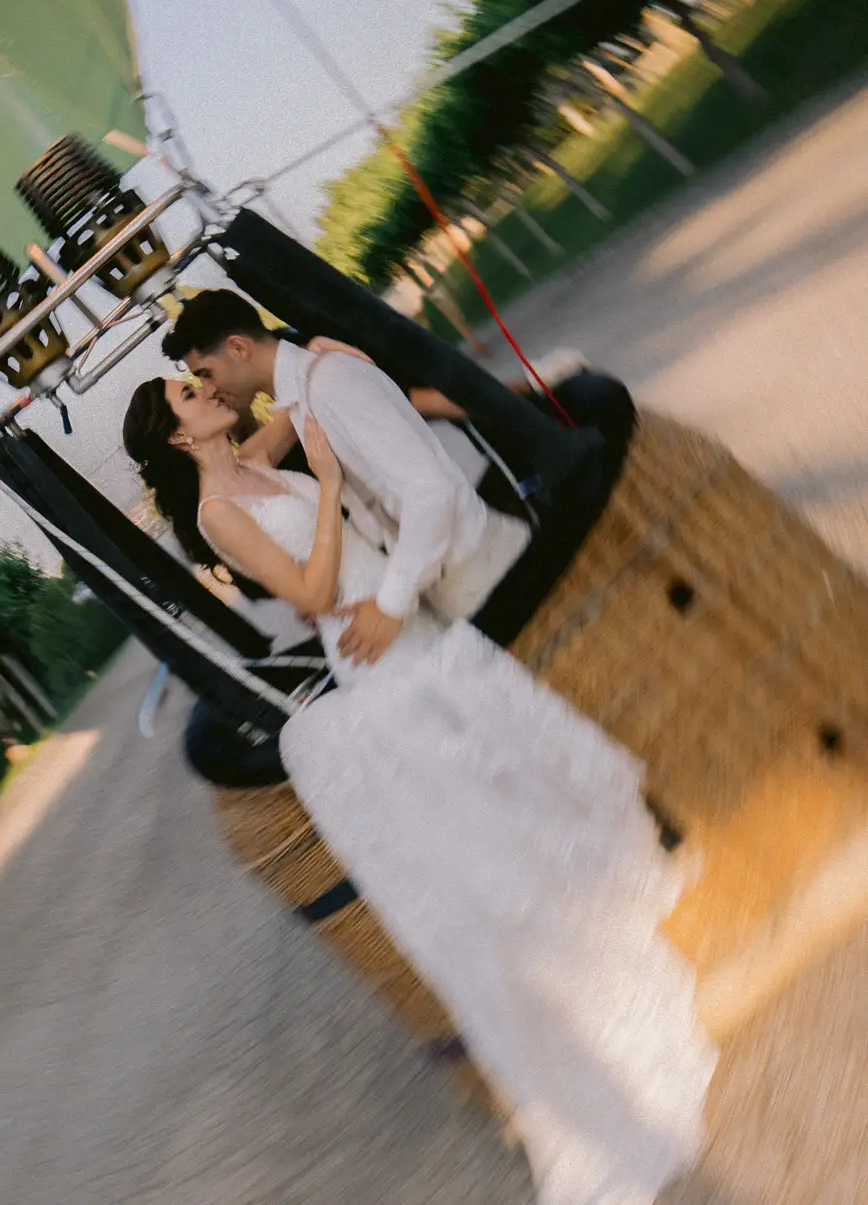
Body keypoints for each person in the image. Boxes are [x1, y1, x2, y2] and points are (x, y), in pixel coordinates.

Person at [122, 373, 716, 1204]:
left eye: (200, 379)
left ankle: (604, 904)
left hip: (410, 618)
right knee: (481, 793)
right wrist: (327, 487)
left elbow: (304, 396)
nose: (209, 389)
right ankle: (579, 979)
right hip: (369, 643)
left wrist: (322, 357)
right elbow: (309, 594)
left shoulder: (255, 454)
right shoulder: (219, 514)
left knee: (509, 760)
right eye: (190, 394)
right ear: (180, 438)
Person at [166, 290, 533, 663]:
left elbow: (430, 493)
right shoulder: (302, 394)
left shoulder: (329, 383)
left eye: (205, 374)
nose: (208, 390)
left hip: (480, 569)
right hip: (438, 583)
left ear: (238, 348)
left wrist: (390, 606)